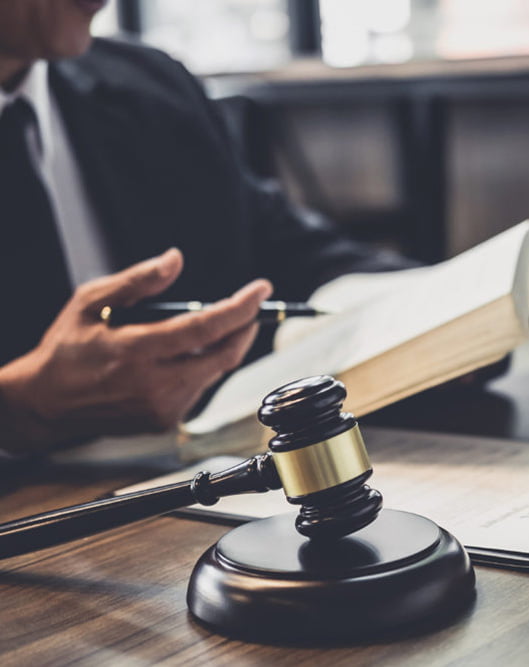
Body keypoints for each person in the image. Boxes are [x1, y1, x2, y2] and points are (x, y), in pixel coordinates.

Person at [0, 0, 411, 456]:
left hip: (216, 471)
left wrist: (434, 302)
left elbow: (282, 244)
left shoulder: (149, 80)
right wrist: (18, 409)